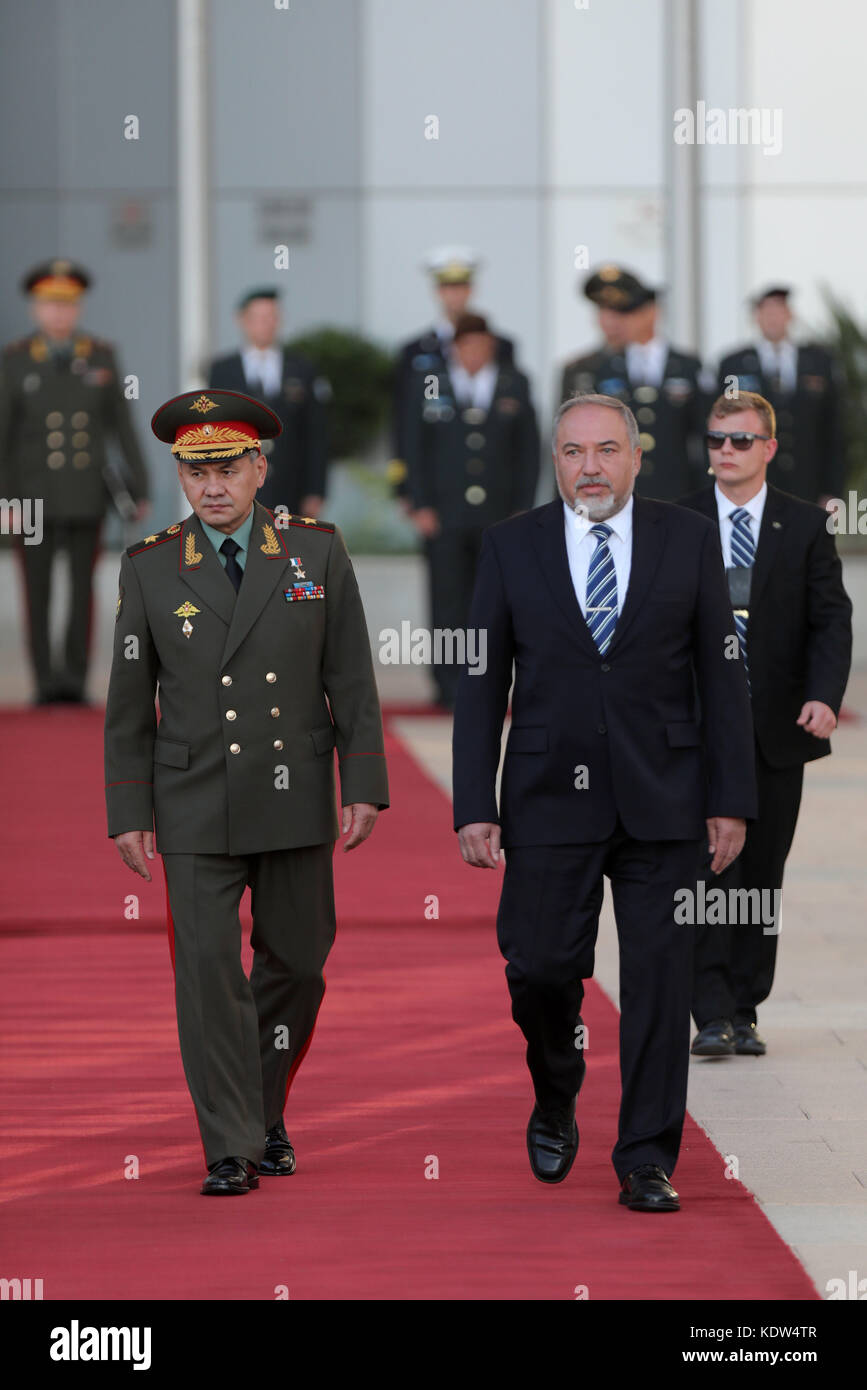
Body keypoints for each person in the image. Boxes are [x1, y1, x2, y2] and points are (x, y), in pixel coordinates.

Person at [452, 393, 756, 1211]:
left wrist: (730, 798)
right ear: (554, 461)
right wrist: (472, 802)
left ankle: (645, 1158)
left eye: (606, 450)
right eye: (573, 453)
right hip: (548, 798)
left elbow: (722, 676)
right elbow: (482, 683)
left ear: (635, 456)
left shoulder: (687, 540)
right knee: (541, 966)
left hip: (667, 797)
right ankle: (556, 1089)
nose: (590, 467)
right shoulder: (510, 546)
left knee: (660, 980)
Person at [104, 388, 388, 1196]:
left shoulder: (314, 551)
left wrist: (361, 781)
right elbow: (129, 702)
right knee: (205, 973)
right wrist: (129, 808)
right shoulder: (152, 565)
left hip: (292, 789)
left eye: (228, 467)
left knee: (297, 964)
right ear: (181, 480)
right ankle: (229, 1142)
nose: (213, 486)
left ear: (261, 467)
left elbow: (351, 678)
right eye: (196, 472)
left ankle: (261, 1109)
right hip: (192, 795)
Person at [679, 391, 852, 1057]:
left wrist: (823, 694)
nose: (725, 451)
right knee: (703, 869)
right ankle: (710, 1008)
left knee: (759, 874)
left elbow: (830, 620)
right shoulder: (677, 520)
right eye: (716, 440)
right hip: (693, 730)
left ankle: (744, 1007)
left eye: (740, 440)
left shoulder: (804, 525)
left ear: (768, 449)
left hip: (776, 730)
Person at [0, 259, 149, 703]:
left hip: (86, 492)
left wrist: (139, 486)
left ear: (78, 308)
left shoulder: (101, 355)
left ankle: (75, 681)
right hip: (31, 498)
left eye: (67, 305)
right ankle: (45, 682)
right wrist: (4, 499)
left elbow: (122, 426)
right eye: (50, 304)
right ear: (34, 309)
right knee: (37, 591)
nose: (59, 314)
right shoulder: (15, 360)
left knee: (84, 589)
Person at [404, 312, 539, 709]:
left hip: (499, 514)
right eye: (466, 346)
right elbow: (414, 447)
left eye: (481, 345)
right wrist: (421, 504)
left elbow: (528, 451)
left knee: (496, 603)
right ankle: (448, 686)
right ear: (455, 349)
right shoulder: (430, 384)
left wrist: (522, 508)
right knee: (447, 600)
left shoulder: (515, 382)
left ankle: (491, 683)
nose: (474, 353)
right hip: (445, 514)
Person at [560, 265, 710, 501]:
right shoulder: (595, 369)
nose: (614, 322)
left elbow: (704, 436)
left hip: (677, 493)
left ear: (651, 312)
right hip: (616, 496)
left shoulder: (688, 366)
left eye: (625, 312)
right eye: (608, 312)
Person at [389, 247, 515, 505]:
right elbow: (404, 421)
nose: (455, 295)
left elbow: (512, 419)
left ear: (472, 290)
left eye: (461, 287)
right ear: (437, 292)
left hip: (493, 485)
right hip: (438, 485)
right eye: (448, 287)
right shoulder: (414, 351)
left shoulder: (501, 347)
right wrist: (404, 486)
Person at [208, 287, 330, 518]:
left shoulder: (302, 368)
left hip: (291, 488)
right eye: (259, 318)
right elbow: (215, 431)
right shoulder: (222, 371)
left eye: (272, 317)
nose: (267, 324)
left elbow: (316, 433)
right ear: (242, 320)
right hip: (238, 487)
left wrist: (317, 490)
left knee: (289, 550)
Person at [717, 286, 845, 505]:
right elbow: (724, 427)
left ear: (790, 315)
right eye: (766, 312)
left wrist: (832, 490)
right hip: (754, 482)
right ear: (756, 318)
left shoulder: (818, 361)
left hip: (807, 482)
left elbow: (833, 429)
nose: (773, 319)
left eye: (778, 311)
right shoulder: (734, 364)